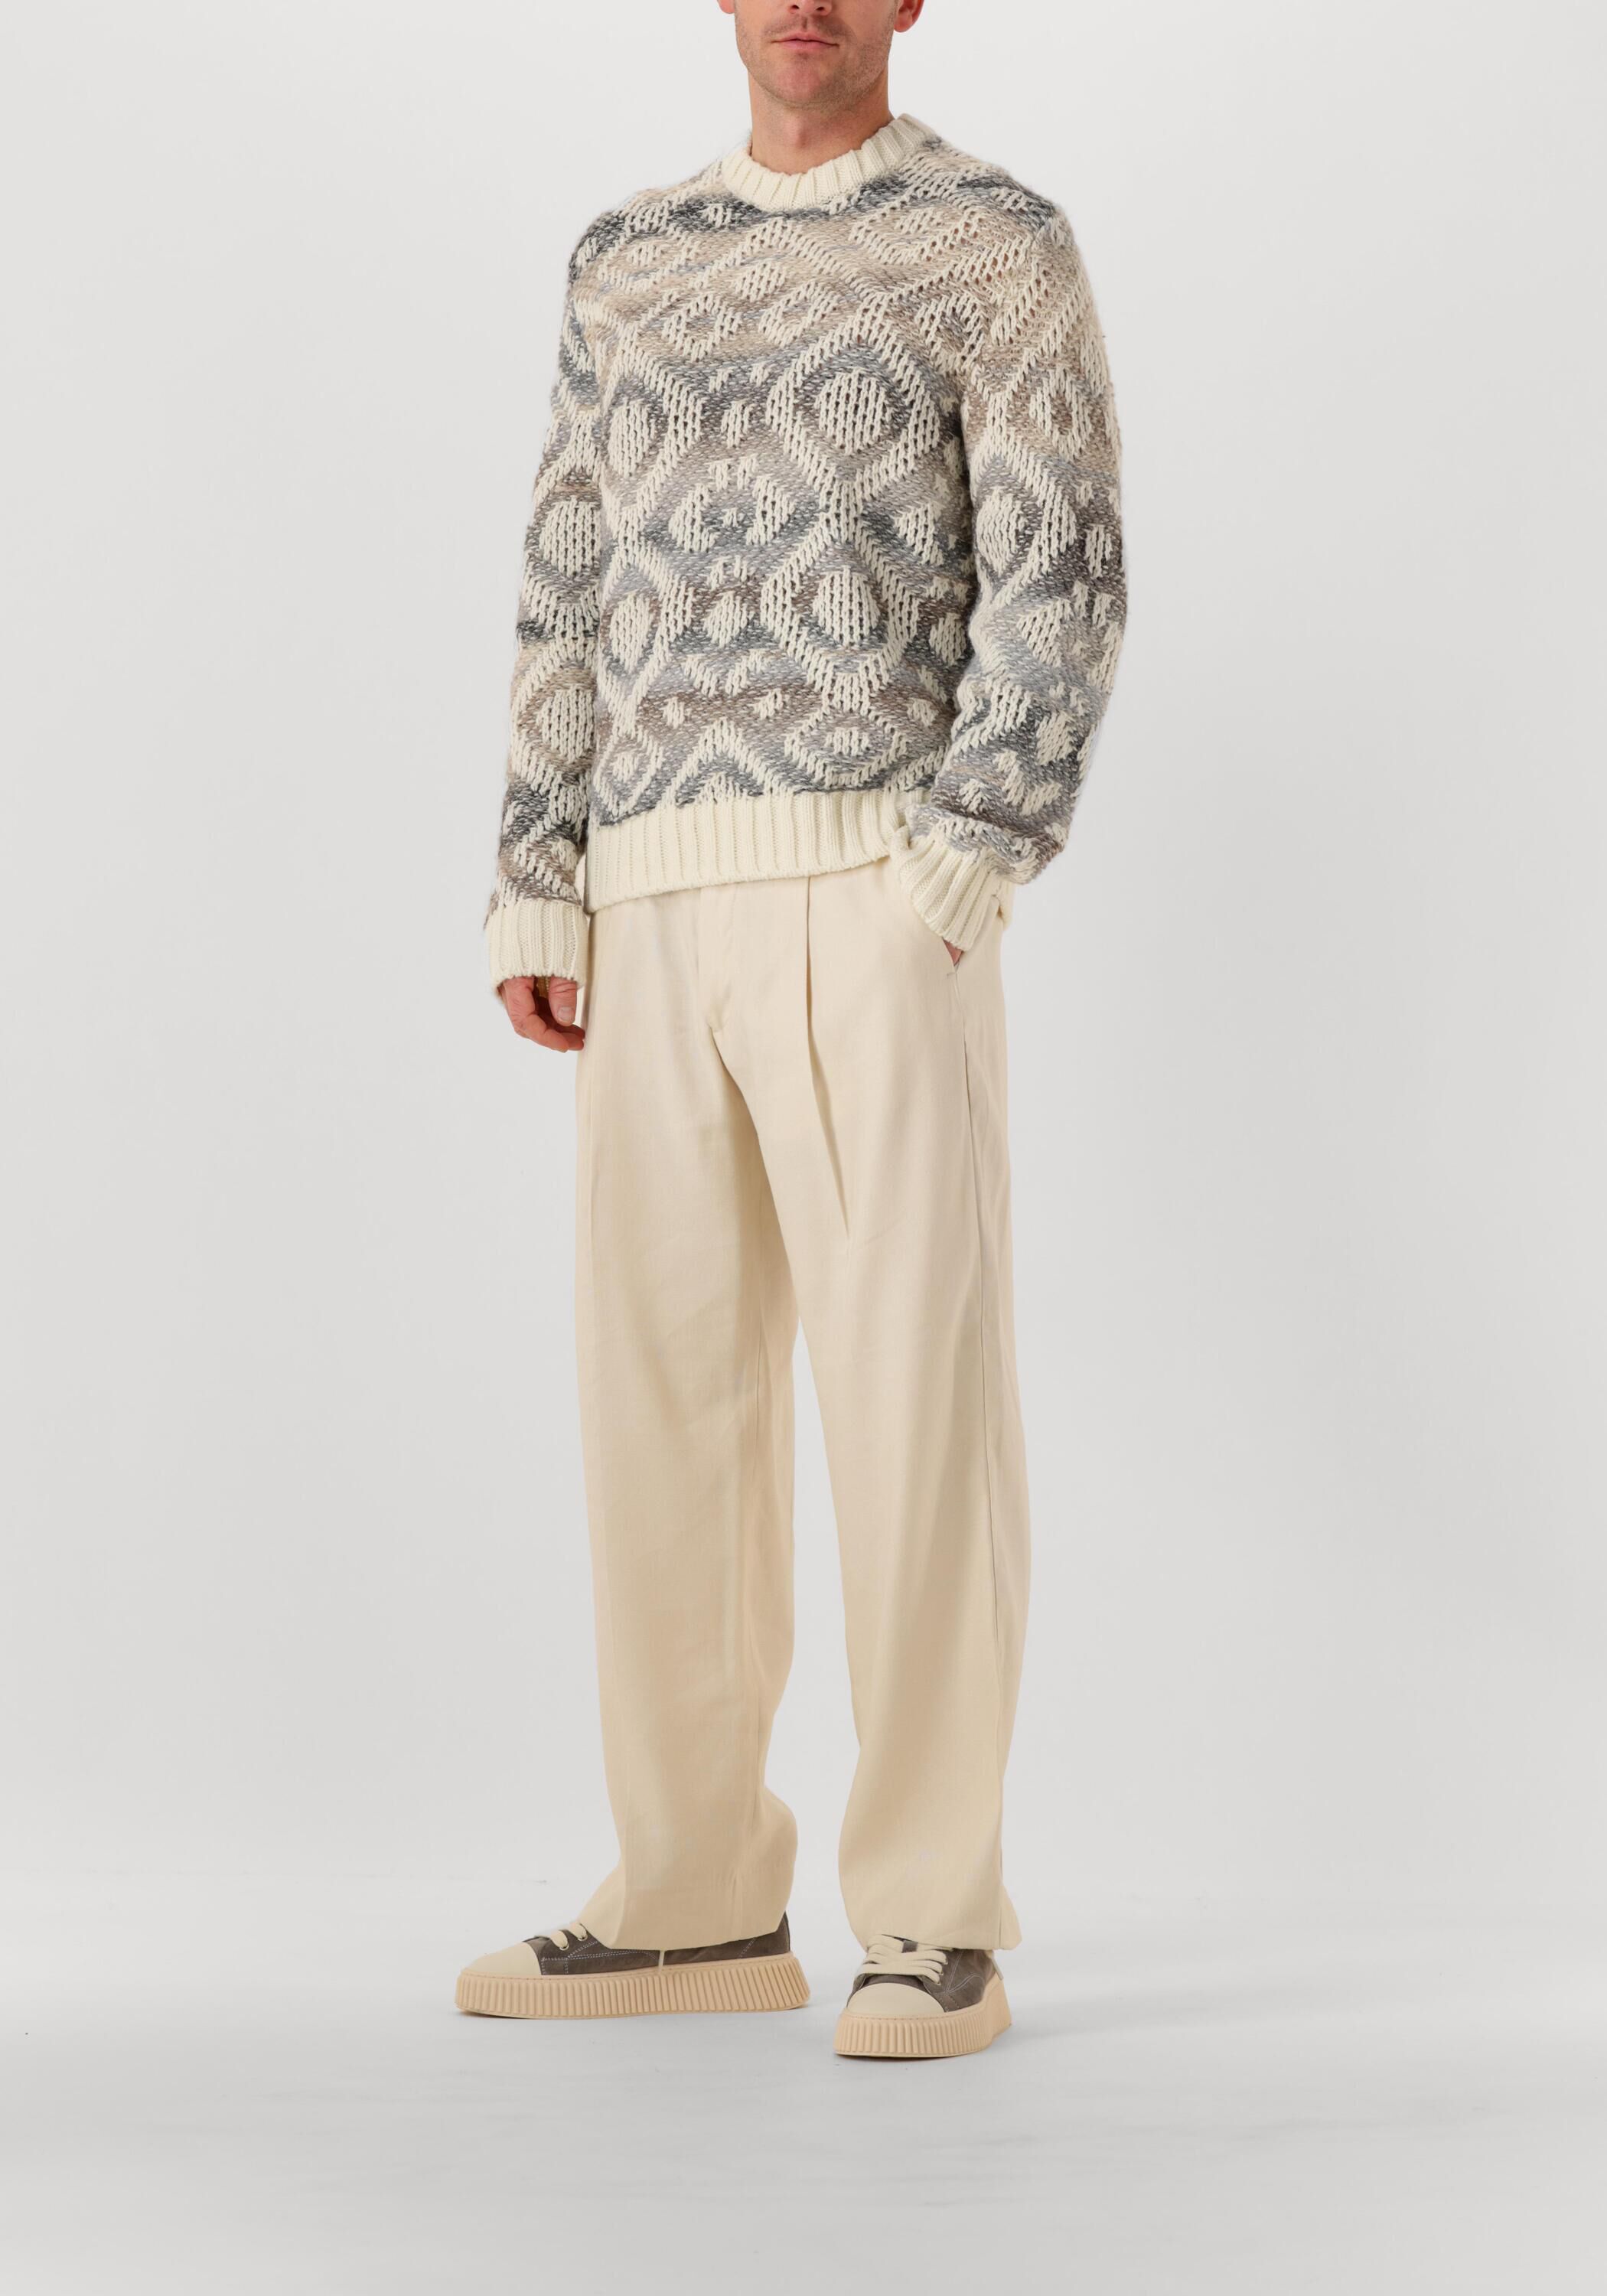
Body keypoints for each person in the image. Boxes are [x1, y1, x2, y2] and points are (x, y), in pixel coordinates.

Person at [459, 0, 1125, 2062]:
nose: (807, 2)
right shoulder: (623, 260)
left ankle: (931, 1915)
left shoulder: (994, 240)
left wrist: (965, 861)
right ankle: (691, 1898)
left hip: (876, 892)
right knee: (664, 1413)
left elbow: (1061, 566)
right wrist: (541, 871)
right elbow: (567, 578)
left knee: (913, 1403)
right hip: (648, 900)